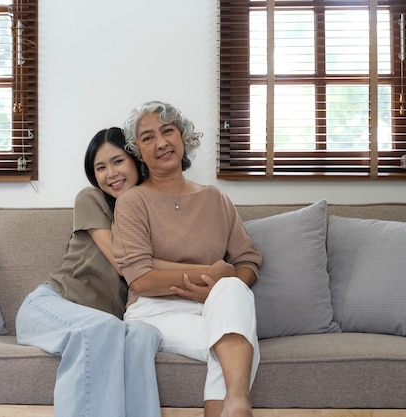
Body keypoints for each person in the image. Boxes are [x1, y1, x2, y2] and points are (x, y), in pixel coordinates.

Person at [111, 101, 263, 417]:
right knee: (238, 340)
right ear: (138, 150)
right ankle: (238, 403)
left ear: (184, 138)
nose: (161, 142)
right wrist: (213, 274)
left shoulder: (215, 198)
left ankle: (235, 402)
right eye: (147, 137)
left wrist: (219, 288)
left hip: (213, 307)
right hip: (154, 312)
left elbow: (247, 261)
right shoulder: (132, 202)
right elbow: (141, 278)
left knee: (235, 289)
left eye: (168, 131)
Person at [15, 127, 163, 417]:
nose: (111, 174)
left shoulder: (153, 216)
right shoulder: (91, 199)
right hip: (50, 306)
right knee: (102, 328)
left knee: (144, 333)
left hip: (103, 321)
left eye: (118, 161)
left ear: (135, 161)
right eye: (101, 167)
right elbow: (125, 264)